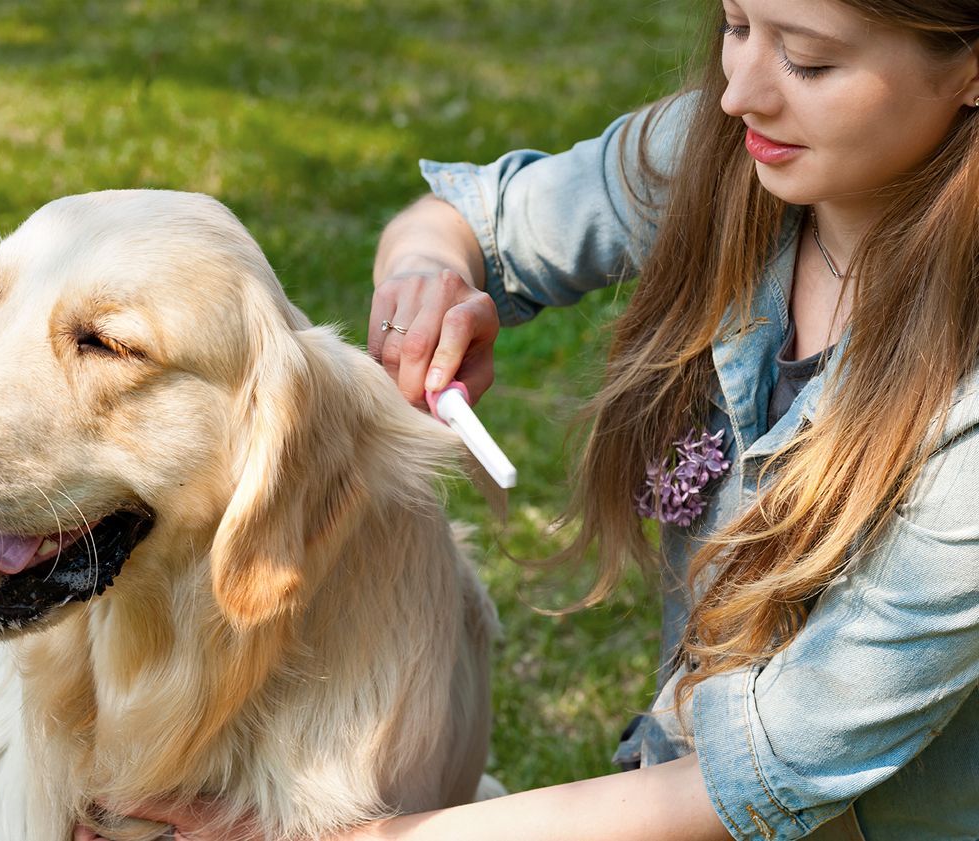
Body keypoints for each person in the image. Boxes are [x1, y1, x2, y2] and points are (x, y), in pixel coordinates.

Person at [79, 0, 979, 838]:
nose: (740, 88)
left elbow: (774, 766)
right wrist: (426, 281)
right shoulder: (721, 151)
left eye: (809, 60)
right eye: (737, 22)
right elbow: (470, 220)